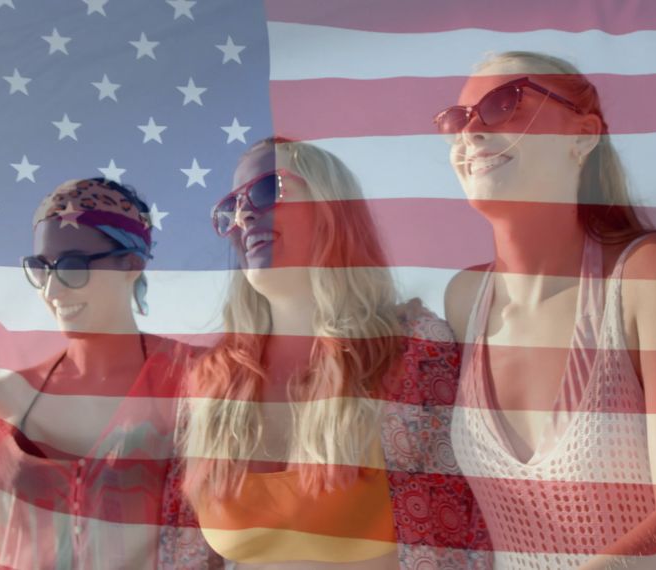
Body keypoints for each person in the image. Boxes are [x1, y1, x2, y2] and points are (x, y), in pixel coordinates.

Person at [439, 52, 656, 568]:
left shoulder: (649, 272)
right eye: (454, 119)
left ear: (583, 136)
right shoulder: (463, 299)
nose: (470, 133)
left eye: (501, 104)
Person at [159, 138, 492, 569]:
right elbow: (187, 555)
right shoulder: (211, 383)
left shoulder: (410, 348)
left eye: (266, 190)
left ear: (330, 207)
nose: (243, 215)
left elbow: (467, 529)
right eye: (231, 207)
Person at [0, 178, 189, 569]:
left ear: (131, 263)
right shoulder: (6, 397)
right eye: (41, 268)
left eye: (73, 266)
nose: (53, 290)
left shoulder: (199, 378)